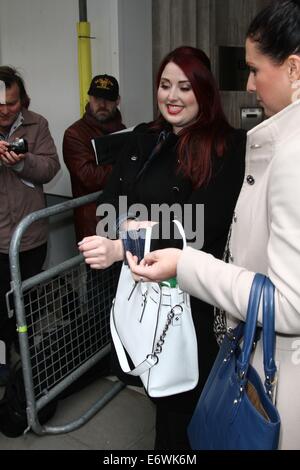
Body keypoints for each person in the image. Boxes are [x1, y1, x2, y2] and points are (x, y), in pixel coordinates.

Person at [126, 0, 300, 451]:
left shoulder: (269, 152)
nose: (249, 83)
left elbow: (289, 301)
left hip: (239, 334)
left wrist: (185, 263)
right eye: (164, 85)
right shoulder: (153, 141)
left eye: (255, 69)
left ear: (293, 68)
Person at [78, 46, 247, 449]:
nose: (172, 96)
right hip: (140, 290)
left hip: (192, 296)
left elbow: (203, 226)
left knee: (186, 399)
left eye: (185, 87)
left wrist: (125, 243)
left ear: (204, 92)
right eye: (165, 85)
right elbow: (108, 208)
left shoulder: (226, 144)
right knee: (158, 390)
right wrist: (140, 228)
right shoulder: (143, 137)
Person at [0, 66, 60, 384]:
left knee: (29, 305)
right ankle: (3, 366)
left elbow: (51, 167)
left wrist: (23, 162)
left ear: (22, 100)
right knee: (0, 311)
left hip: (29, 238)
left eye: (11, 103)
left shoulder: (38, 124)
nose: (5, 110)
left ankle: (27, 366)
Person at [63, 74, 126, 243]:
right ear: (90, 98)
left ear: (118, 101)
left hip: (123, 218)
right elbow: (88, 177)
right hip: (94, 222)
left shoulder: (123, 130)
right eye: (97, 98)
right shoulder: (75, 133)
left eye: (108, 99)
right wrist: (125, 169)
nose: (102, 105)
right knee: (98, 269)